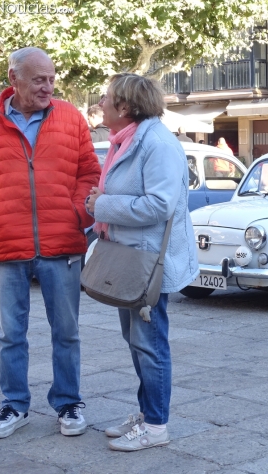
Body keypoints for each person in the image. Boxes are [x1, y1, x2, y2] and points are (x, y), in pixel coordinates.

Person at [0, 47, 101, 439]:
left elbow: (90, 172)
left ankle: (68, 401)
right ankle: (14, 404)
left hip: (63, 242)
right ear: (13, 79)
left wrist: (79, 213)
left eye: (52, 79)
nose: (48, 87)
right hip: (7, 242)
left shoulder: (70, 117)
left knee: (66, 331)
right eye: (39, 79)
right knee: (9, 334)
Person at [85, 73, 198, 452]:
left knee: (149, 343)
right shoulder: (126, 140)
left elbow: (160, 205)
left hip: (148, 262)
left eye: (106, 97)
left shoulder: (157, 144)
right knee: (136, 341)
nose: (100, 102)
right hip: (129, 259)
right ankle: (147, 412)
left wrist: (102, 205)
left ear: (126, 107)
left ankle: (155, 426)